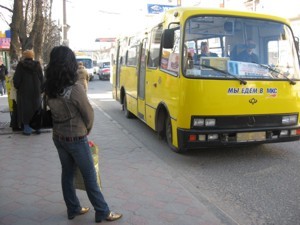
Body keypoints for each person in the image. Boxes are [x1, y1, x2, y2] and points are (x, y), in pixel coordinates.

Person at [44, 45, 122, 223]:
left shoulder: (49, 88)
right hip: (76, 138)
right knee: (90, 177)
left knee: (67, 173)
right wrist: (86, 130)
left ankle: (73, 208)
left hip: (58, 137)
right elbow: (89, 114)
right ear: (69, 64)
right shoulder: (75, 88)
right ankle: (102, 211)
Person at [13, 50, 44, 135]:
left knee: (26, 109)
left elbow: (17, 79)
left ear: (24, 56)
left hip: (24, 91)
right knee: (37, 108)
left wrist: (17, 87)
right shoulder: (37, 65)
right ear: (32, 56)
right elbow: (42, 78)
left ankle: (27, 130)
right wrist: (41, 89)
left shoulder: (21, 65)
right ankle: (37, 128)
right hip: (36, 91)